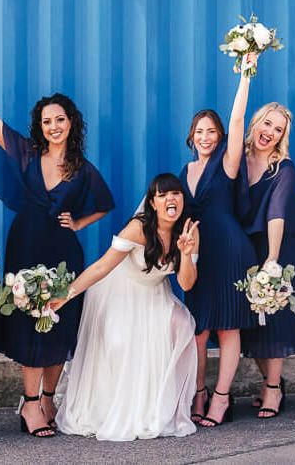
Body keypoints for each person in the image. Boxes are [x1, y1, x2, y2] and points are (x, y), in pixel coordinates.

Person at [0, 71, 114, 438]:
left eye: (60, 119)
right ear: (39, 126)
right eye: (47, 121)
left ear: (71, 122)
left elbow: (106, 205)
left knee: (58, 323)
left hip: (63, 253)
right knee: (30, 320)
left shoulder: (82, 168)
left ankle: (47, 399)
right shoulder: (27, 152)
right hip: (25, 247)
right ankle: (29, 403)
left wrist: (78, 223)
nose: (54, 126)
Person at [52, 173, 199, 441]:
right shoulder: (138, 228)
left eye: (175, 193)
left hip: (155, 293)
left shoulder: (189, 231)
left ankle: (167, 405)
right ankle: (114, 406)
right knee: (119, 342)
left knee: (183, 324)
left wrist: (186, 255)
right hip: (119, 289)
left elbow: (186, 284)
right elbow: (101, 267)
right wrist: (66, 295)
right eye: (163, 195)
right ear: (153, 203)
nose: (170, 199)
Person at [180, 56, 258, 428]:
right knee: (197, 330)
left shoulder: (226, 164)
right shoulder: (186, 170)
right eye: (200, 131)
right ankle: (199, 391)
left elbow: (240, 120)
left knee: (228, 327)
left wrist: (245, 74)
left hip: (228, 250)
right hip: (198, 255)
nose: (206, 136)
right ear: (191, 136)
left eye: (212, 131)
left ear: (220, 135)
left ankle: (222, 397)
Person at [241, 103, 295, 419]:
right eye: (267, 124)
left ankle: (272, 388)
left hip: (282, 246)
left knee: (274, 317)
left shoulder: (281, 167)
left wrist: (272, 263)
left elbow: (276, 215)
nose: (270, 133)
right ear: (256, 123)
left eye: (278, 130)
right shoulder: (239, 161)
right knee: (250, 323)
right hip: (249, 244)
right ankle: (272, 382)